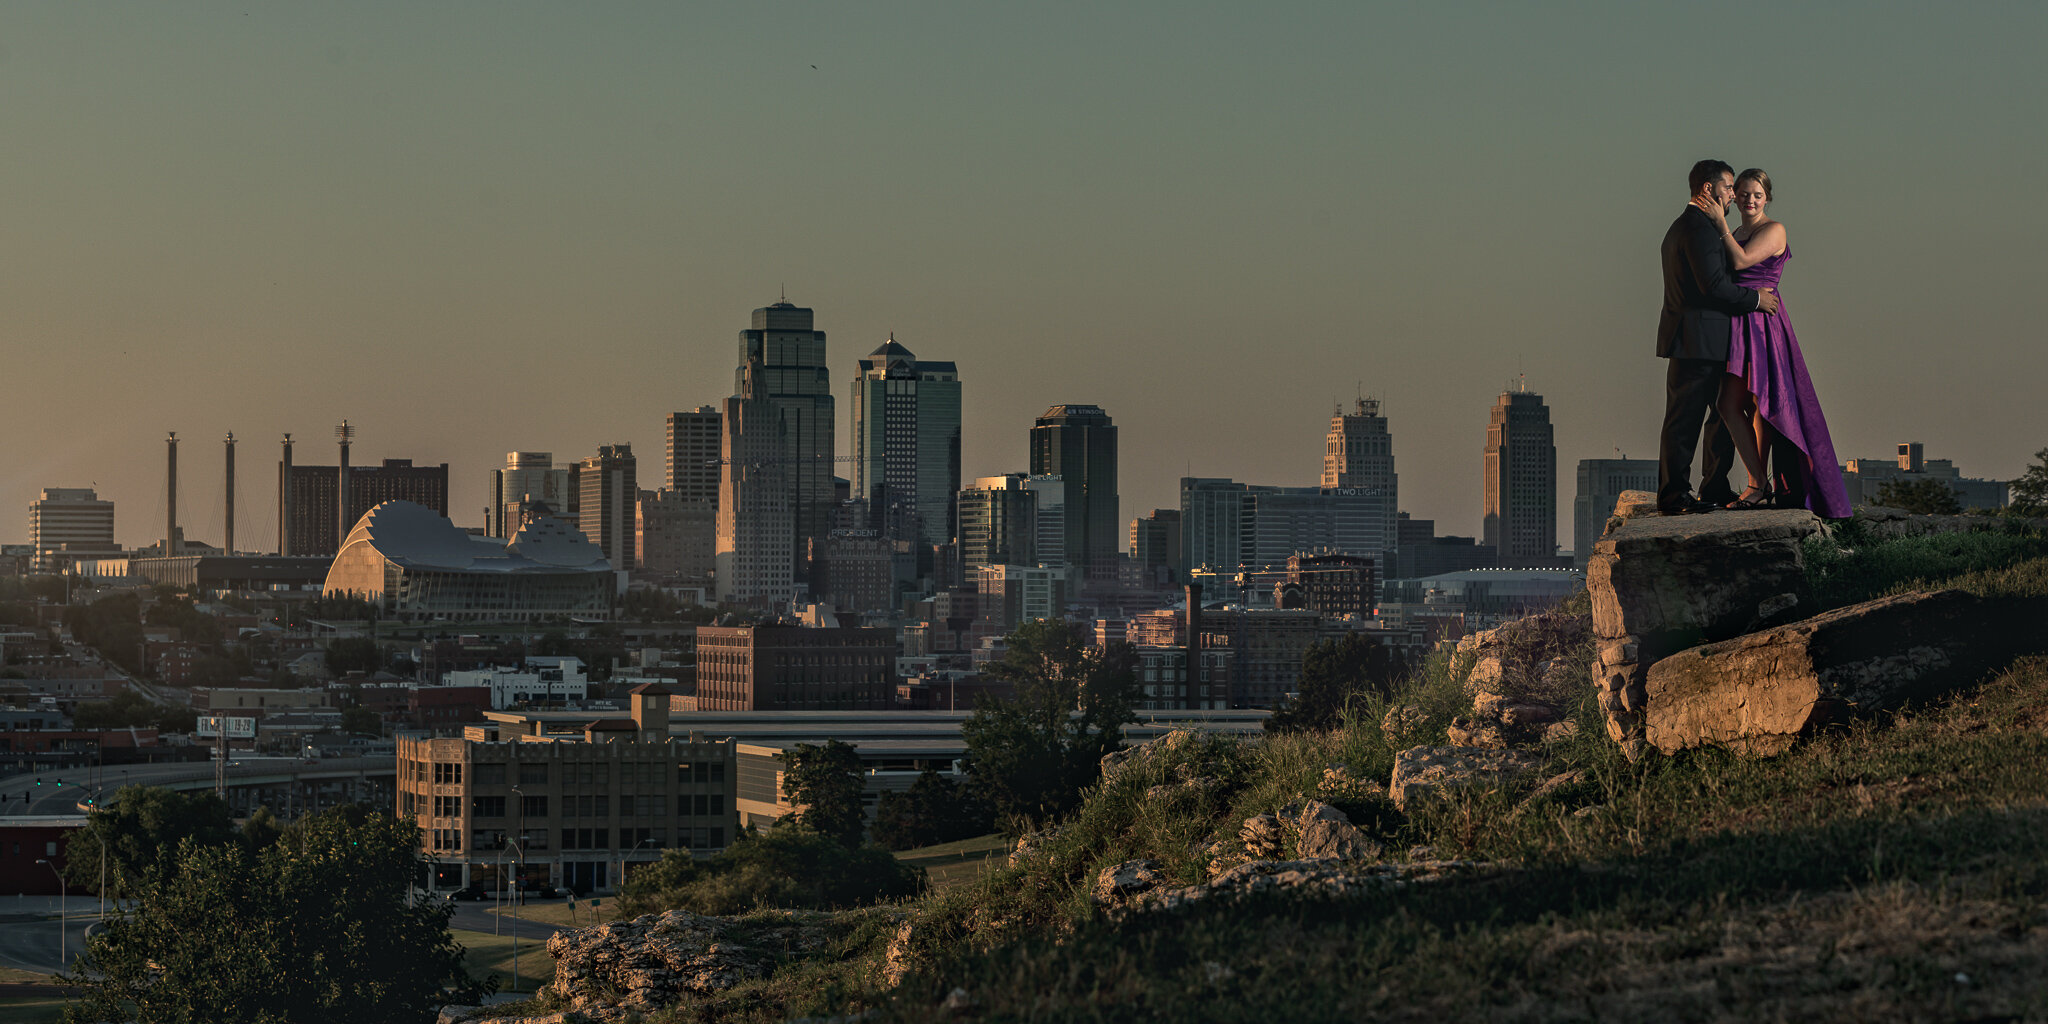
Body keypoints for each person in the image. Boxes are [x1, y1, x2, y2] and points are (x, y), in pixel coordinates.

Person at [1692, 170, 1852, 516]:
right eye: (1744, 194)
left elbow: (1741, 261)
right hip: (1739, 322)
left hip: (1764, 322)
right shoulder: (1736, 232)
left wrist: (1719, 224)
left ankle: (1757, 485)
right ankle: (1758, 483)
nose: (1750, 200)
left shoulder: (1773, 230)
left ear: (1767, 198)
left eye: (1757, 195)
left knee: (1755, 405)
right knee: (1736, 405)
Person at [1656, 159, 1780, 514]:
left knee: (1718, 415)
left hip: (1703, 340)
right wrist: (1757, 299)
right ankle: (1675, 496)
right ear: (1708, 189)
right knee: (1684, 421)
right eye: (1728, 188)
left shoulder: (1691, 226)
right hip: (1696, 341)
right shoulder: (1698, 229)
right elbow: (1714, 287)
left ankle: (1714, 486)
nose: (1733, 196)